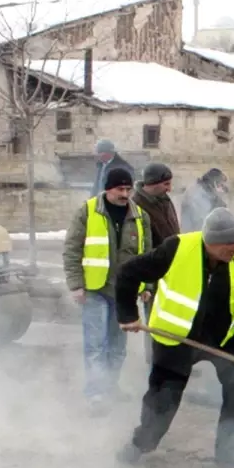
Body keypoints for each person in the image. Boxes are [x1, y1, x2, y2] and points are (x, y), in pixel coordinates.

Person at [114, 208, 234, 468]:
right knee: (164, 396)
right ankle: (141, 443)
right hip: (177, 337)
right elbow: (128, 273)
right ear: (211, 241)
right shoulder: (176, 248)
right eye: (229, 243)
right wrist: (128, 314)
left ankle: (230, 450)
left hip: (224, 339)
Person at [62, 166, 150, 414]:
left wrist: (147, 285)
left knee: (117, 346)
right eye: (120, 189)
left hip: (125, 294)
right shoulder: (88, 212)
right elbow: (72, 249)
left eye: (128, 189)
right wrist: (76, 284)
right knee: (95, 344)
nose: (125, 194)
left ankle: (110, 386)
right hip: (94, 290)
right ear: (107, 189)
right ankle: (96, 393)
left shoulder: (141, 216)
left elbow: (148, 256)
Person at [132, 162, 181, 364]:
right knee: (154, 317)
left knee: (172, 316)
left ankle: (171, 358)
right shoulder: (136, 205)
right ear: (152, 183)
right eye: (166, 184)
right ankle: (156, 362)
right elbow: (139, 245)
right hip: (152, 270)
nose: (170, 188)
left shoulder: (164, 199)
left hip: (171, 268)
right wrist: (145, 282)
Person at [180, 168, 229, 233]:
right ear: (214, 183)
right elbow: (203, 222)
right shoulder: (197, 194)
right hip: (195, 236)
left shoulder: (208, 193)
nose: (222, 188)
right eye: (221, 184)